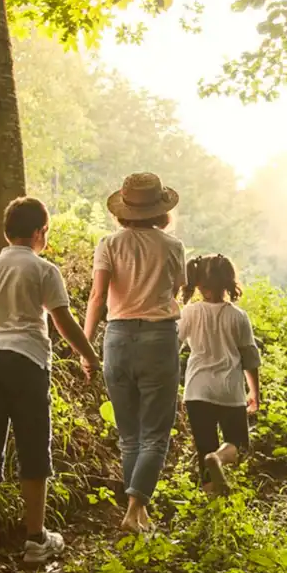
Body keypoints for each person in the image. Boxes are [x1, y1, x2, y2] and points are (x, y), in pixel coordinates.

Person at [0, 197, 100, 566]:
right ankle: (35, 540)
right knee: (33, 448)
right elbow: (62, 322)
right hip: (27, 361)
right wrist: (90, 355)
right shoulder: (43, 270)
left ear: (6, 231)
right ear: (38, 232)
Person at [84, 172, 186, 532]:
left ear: (123, 210)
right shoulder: (173, 247)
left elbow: (97, 298)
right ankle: (134, 509)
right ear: (161, 211)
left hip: (116, 338)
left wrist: (86, 348)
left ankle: (137, 513)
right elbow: (178, 291)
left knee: (129, 436)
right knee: (156, 434)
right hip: (159, 339)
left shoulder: (108, 244)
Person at [178, 254, 261, 496]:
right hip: (229, 390)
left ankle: (212, 499)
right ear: (228, 283)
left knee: (203, 447)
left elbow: (173, 346)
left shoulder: (190, 312)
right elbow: (249, 357)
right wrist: (254, 391)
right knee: (238, 444)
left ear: (199, 284)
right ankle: (219, 457)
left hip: (197, 390)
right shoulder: (238, 316)